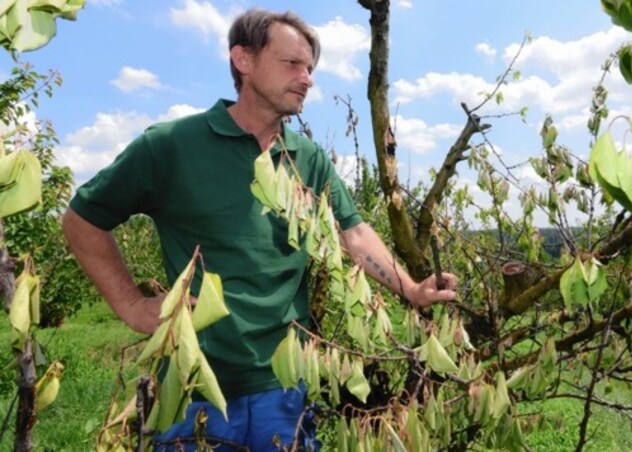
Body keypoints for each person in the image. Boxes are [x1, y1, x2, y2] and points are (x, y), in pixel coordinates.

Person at [61, 8, 457, 452]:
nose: (306, 78)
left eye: (310, 68)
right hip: (194, 383)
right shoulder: (171, 146)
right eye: (292, 64)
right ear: (243, 60)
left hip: (286, 382)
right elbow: (82, 220)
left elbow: (354, 234)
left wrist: (411, 290)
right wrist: (132, 306)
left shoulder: (306, 158)